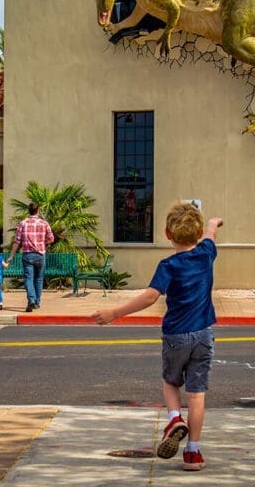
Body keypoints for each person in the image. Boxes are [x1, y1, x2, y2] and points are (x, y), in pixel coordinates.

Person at [92, 202, 222, 472]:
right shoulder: (206, 253)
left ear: (167, 234)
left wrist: (115, 312)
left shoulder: (168, 265)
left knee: (170, 382)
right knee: (197, 396)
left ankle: (175, 419)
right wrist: (213, 222)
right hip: (203, 335)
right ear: (197, 235)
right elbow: (211, 233)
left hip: (176, 334)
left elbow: (151, 296)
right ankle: (193, 453)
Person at [3, 202, 54, 312]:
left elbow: (17, 241)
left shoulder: (22, 223)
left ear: (28, 211)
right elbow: (51, 238)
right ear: (38, 211)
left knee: (28, 278)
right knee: (39, 279)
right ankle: (37, 303)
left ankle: (31, 299)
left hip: (27, 255)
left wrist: (11, 256)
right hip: (41, 255)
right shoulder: (44, 223)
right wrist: (43, 242)